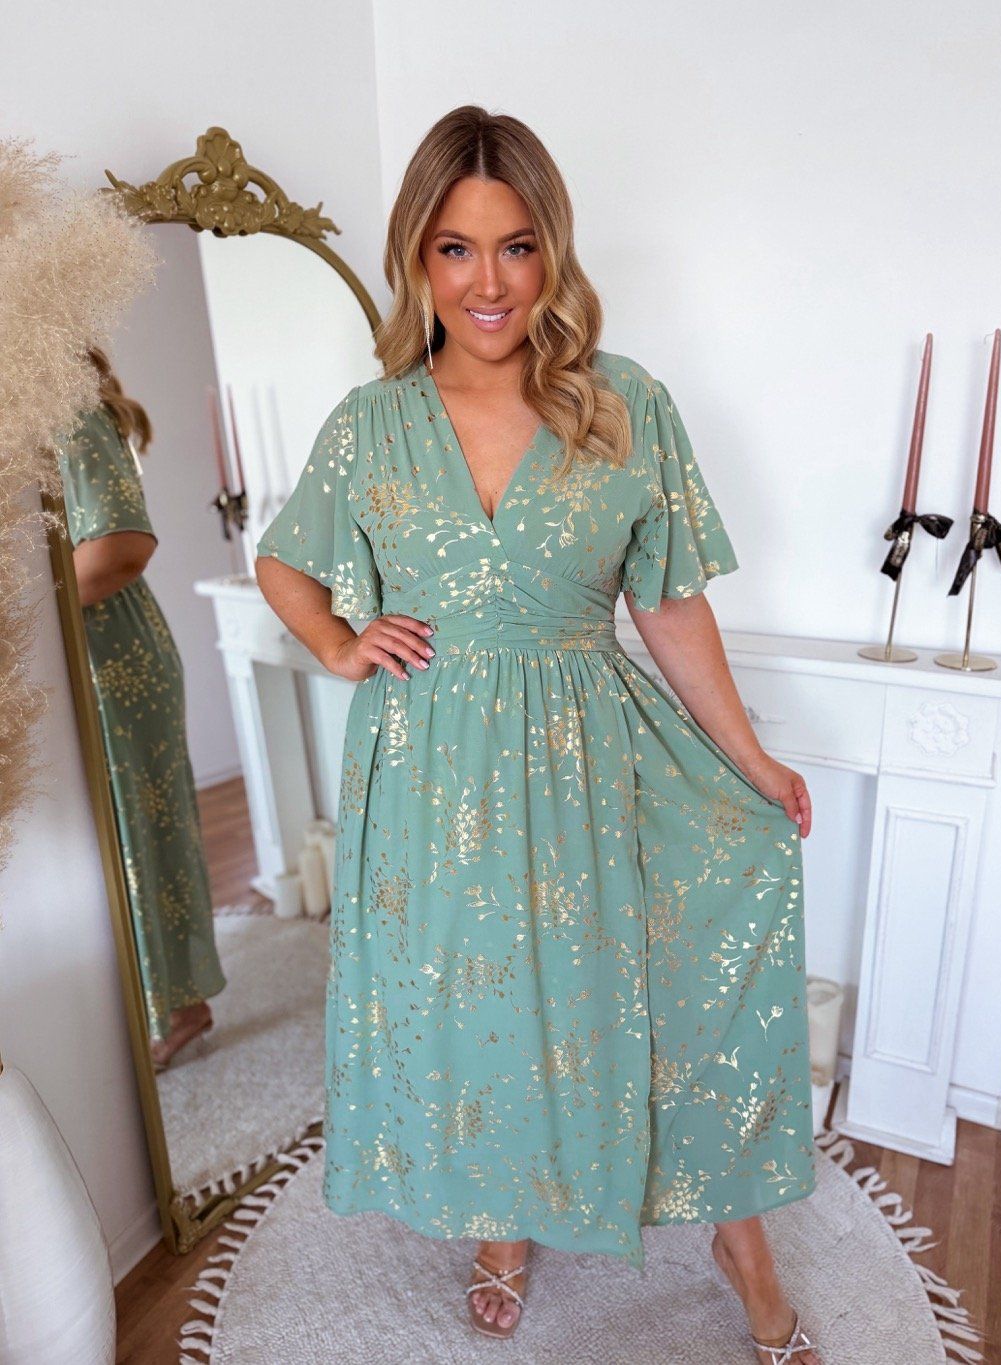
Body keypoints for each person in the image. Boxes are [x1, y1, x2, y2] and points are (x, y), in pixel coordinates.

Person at [255, 106, 821, 1363]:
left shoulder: (624, 404)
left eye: (516, 247)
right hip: (427, 774)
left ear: (552, 251)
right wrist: (339, 644)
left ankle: (741, 1246)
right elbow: (283, 560)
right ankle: (503, 1225)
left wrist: (751, 761)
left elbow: (668, 602)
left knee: (656, 994)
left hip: (587, 754)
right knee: (477, 1014)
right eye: (455, 249)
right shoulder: (369, 422)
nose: (489, 283)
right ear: (417, 257)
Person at [56, 346, 226, 1072]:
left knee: (138, 832)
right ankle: (148, 1001)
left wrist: (22, 609)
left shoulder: (71, 415)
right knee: (113, 836)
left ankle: (175, 1007)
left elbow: (119, 549)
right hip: (87, 656)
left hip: (112, 661)